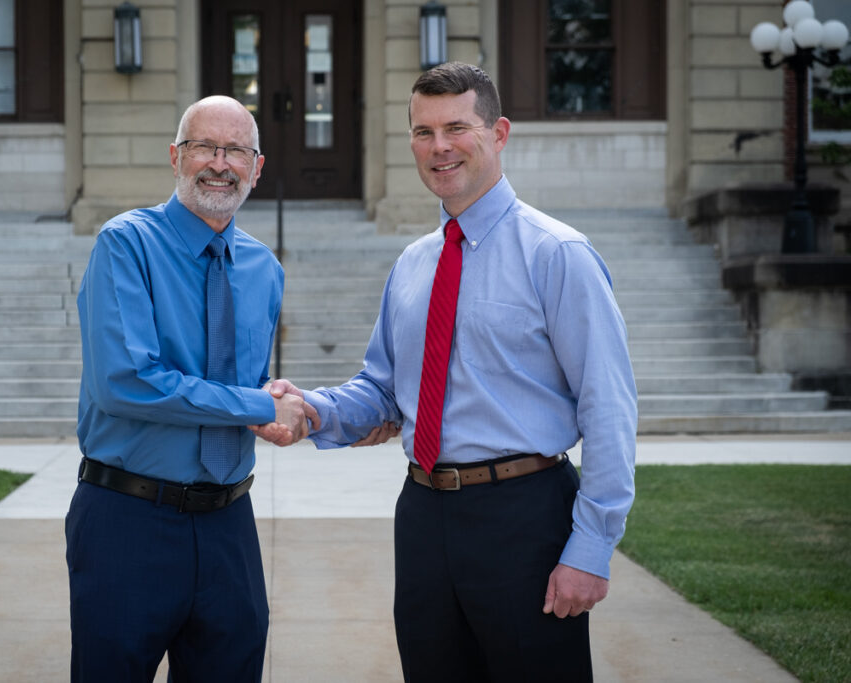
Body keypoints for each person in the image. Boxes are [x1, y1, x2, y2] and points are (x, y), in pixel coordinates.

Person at [255, 62, 637, 681]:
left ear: (500, 132)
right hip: (424, 515)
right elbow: (383, 388)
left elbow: (610, 409)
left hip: (525, 516)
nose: (439, 147)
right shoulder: (412, 264)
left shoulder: (556, 254)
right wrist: (315, 409)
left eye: (457, 128)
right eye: (423, 132)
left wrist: (591, 551)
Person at [66, 95, 314, 683]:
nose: (219, 163)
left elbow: (246, 387)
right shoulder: (126, 244)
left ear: (257, 168)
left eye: (237, 151)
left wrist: (273, 408)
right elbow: (127, 383)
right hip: (129, 519)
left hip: (229, 524)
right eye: (205, 146)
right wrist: (258, 404)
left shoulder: (263, 269)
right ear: (175, 156)